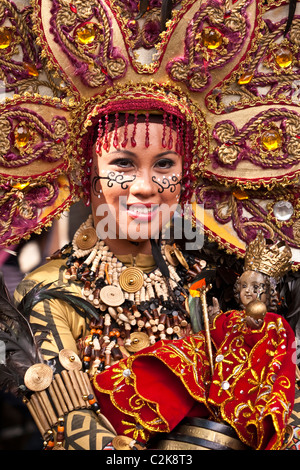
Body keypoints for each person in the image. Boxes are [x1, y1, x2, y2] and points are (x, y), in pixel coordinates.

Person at [0, 0, 299, 453]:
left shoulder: (216, 279)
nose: (144, 187)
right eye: (122, 163)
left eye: (163, 165)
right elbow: (71, 428)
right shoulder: (50, 290)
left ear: (186, 178)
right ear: (88, 176)